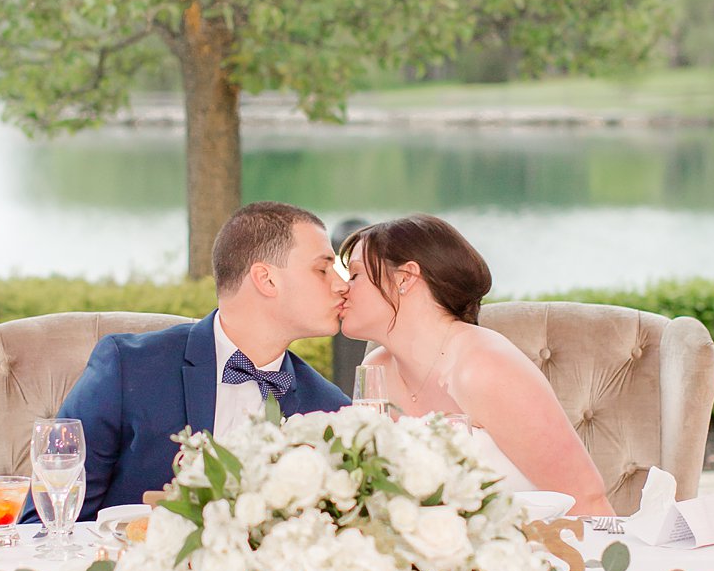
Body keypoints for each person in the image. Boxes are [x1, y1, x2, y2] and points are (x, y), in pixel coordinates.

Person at [49, 201, 350, 521]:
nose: (341, 284)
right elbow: (48, 521)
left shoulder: (329, 409)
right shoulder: (129, 368)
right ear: (267, 279)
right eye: (322, 269)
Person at [338, 214, 612, 517]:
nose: (342, 288)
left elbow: (586, 499)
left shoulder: (484, 367)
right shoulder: (378, 369)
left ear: (405, 278)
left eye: (354, 276)